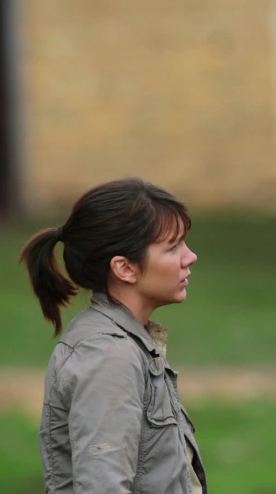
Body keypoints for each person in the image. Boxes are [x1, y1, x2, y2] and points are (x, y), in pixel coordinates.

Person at [20, 178, 207, 493]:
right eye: (173, 247)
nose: (190, 257)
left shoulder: (130, 344)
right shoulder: (108, 355)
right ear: (125, 268)